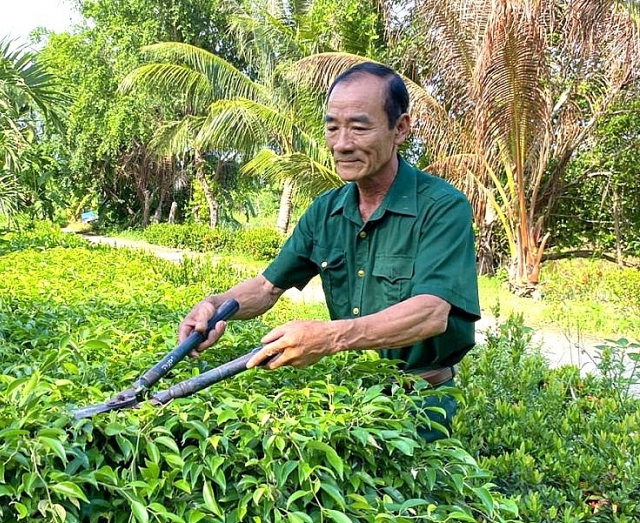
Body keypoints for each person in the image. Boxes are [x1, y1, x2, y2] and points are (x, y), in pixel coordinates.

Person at [178, 62, 480, 442]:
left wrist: (331, 337)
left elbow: (431, 314)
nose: (341, 143)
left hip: (421, 403)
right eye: (332, 126)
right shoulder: (326, 210)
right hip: (349, 397)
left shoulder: (441, 206)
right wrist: (216, 305)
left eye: (359, 126)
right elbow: (267, 287)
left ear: (400, 128)